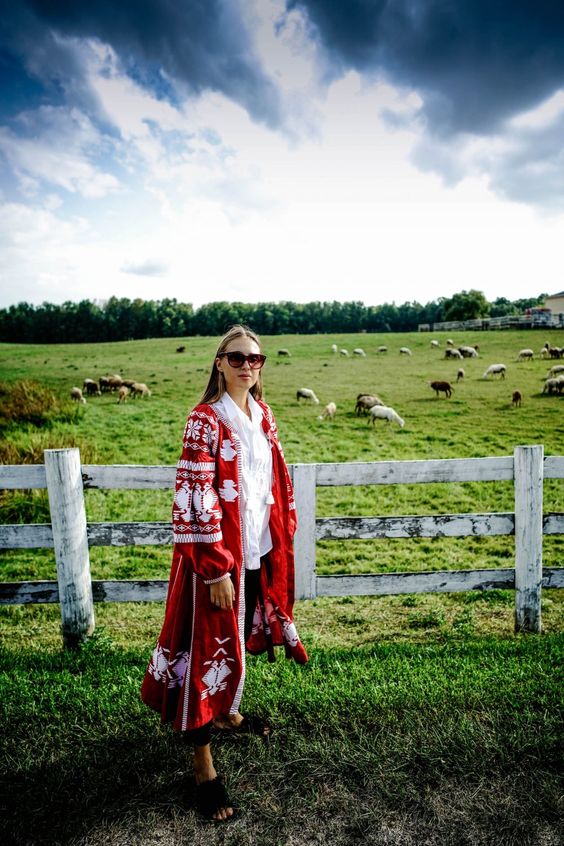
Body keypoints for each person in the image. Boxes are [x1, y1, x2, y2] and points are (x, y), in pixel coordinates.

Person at [141, 324, 308, 821]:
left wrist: (280, 534)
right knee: (202, 650)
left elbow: (273, 480)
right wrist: (214, 570)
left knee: (231, 639)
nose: (247, 367)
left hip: (255, 550)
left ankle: (230, 711)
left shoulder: (262, 415)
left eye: (256, 359)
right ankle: (202, 766)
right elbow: (194, 495)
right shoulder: (205, 421)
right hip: (215, 560)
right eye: (237, 358)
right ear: (219, 363)